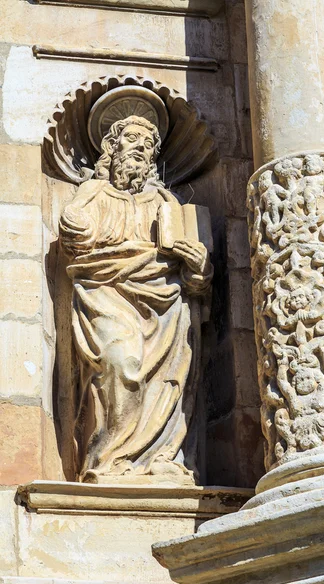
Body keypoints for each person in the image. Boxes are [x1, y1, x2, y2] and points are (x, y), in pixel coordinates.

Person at [59, 115, 213, 484]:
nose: (140, 147)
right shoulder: (94, 193)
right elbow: (74, 237)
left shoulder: (166, 201)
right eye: (131, 138)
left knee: (167, 382)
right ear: (112, 149)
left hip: (166, 302)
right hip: (105, 293)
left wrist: (197, 264)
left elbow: (197, 279)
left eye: (148, 143)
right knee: (121, 362)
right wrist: (77, 223)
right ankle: (109, 460)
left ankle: (161, 456)